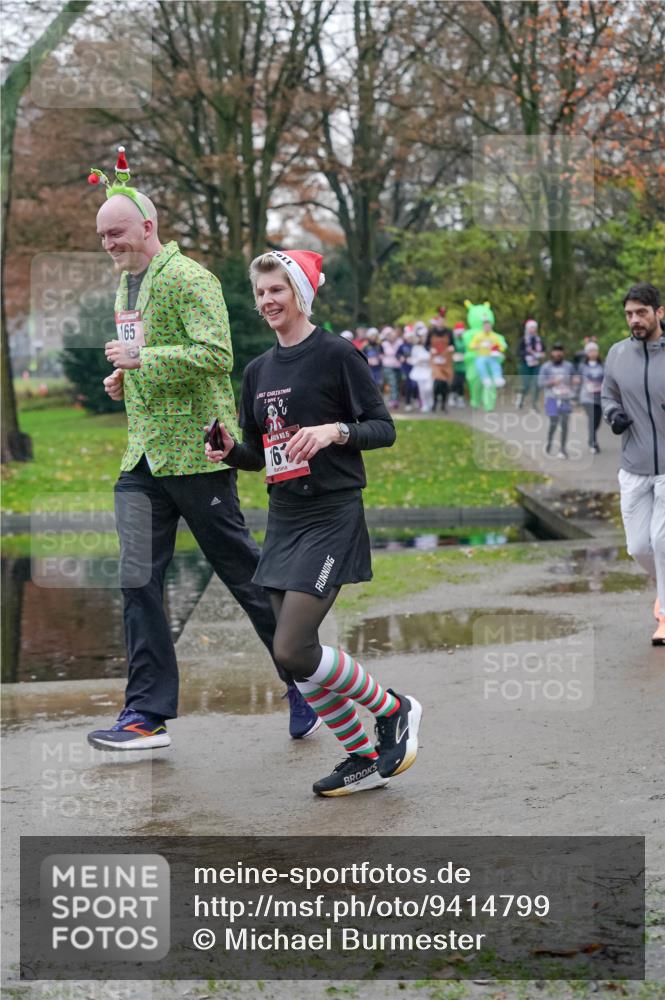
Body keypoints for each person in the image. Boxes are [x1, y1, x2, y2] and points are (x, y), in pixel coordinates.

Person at [85, 147, 320, 750]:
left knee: (241, 574)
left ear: (148, 227)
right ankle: (146, 714)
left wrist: (144, 359)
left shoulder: (192, 279)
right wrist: (124, 377)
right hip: (141, 457)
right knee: (138, 580)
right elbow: (144, 358)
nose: (109, 244)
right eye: (102, 236)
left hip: (198, 452)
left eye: (117, 233)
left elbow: (217, 355)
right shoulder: (125, 286)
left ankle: (305, 684)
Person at [205, 249, 422, 795]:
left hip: (332, 512)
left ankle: (394, 708)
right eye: (260, 293)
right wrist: (231, 450)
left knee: (292, 648)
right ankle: (363, 756)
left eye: (276, 290)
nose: (267, 301)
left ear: (299, 293)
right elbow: (260, 452)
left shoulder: (336, 355)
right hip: (285, 516)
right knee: (299, 660)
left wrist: (335, 432)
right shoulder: (258, 370)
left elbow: (383, 428)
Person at [601, 282, 665, 645]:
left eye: (641, 312)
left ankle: (664, 616)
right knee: (639, 547)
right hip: (633, 464)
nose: (634, 320)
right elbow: (608, 394)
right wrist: (613, 415)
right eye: (629, 313)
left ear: (659, 312)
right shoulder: (617, 354)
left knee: (662, 538)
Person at [538, 344, 576, 459]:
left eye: (560, 351)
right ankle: (549, 442)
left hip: (565, 398)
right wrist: (551, 382)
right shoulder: (546, 367)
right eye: (555, 351)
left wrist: (575, 382)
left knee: (564, 424)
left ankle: (563, 449)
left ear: (563, 353)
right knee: (553, 423)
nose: (558, 353)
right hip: (551, 399)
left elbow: (574, 379)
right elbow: (540, 383)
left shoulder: (569, 366)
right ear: (552, 353)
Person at [577, 341, 604, 453]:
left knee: (597, 421)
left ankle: (591, 437)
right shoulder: (582, 366)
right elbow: (577, 380)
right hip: (587, 397)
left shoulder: (603, 365)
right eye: (590, 351)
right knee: (592, 419)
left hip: (599, 397)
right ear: (587, 353)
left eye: (595, 350)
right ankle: (593, 443)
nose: (593, 353)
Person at [517, 319, 545, 409]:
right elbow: (518, 352)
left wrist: (540, 354)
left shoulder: (539, 339)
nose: (533, 330)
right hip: (525, 364)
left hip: (536, 364)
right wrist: (529, 353)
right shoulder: (523, 340)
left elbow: (544, 350)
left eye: (534, 328)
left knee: (537, 383)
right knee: (526, 384)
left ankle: (534, 402)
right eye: (531, 328)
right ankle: (521, 398)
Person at [429, 323, 453, 413]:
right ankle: (434, 404)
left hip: (446, 361)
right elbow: (427, 345)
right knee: (436, 384)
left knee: (444, 385)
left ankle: (443, 405)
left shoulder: (449, 333)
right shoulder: (431, 333)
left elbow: (452, 345)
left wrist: (450, 349)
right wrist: (431, 350)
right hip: (435, 361)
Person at [409, 330, 434, 413]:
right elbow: (412, 359)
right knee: (422, 389)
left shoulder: (431, 347)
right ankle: (424, 404)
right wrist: (417, 361)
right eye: (422, 336)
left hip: (429, 370)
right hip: (419, 371)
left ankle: (430, 400)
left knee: (429, 388)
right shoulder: (416, 348)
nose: (424, 338)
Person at [381, 326, 403, 411]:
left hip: (398, 366)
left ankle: (394, 399)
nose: (392, 337)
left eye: (393, 336)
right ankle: (393, 401)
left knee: (397, 383)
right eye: (390, 335)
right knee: (393, 383)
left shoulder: (399, 343)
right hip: (388, 366)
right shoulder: (384, 344)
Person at [449, 322, 467, 408]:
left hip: (463, 364)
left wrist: (464, 356)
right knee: (455, 381)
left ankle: (460, 398)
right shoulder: (453, 340)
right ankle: (452, 395)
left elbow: (468, 351)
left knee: (461, 381)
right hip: (454, 364)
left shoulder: (465, 340)